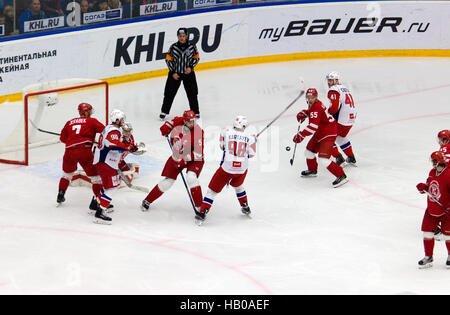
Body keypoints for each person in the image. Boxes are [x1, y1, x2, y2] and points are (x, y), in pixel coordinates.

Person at [195, 116, 256, 224]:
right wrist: (253, 141)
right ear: (243, 126)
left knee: (212, 191)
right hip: (241, 170)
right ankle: (245, 206)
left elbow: (222, 147)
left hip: (227, 168)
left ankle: (203, 211)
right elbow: (251, 154)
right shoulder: (250, 137)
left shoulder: (225, 132)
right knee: (238, 186)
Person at [141, 110, 204, 211]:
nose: (192, 123)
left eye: (193, 121)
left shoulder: (198, 132)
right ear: (184, 121)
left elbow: (198, 154)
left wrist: (184, 160)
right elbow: (167, 125)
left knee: (191, 178)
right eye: (189, 121)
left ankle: (200, 207)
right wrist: (166, 128)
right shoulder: (178, 121)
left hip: (194, 159)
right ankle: (148, 200)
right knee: (168, 182)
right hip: (177, 156)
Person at [293, 88, 348, 188]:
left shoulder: (316, 107)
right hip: (321, 132)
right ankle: (312, 170)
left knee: (324, 159)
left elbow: (313, 126)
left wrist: (301, 135)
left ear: (316, 97)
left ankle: (341, 175)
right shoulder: (314, 104)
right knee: (309, 152)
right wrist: (306, 113)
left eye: (312, 97)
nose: (310, 99)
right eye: (308, 97)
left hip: (328, 133)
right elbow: (316, 114)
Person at [93, 109, 138, 224]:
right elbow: (112, 144)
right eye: (122, 119)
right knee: (112, 187)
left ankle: (96, 203)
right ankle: (100, 212)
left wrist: (127, 145)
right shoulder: (114, 130)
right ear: (116, 120)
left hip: (104, 161)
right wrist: (127, 147)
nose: (123, 121)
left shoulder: (110, 128)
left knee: (110, 186)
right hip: (105, 162)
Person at [57, 103, 105, 210]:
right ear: (87, 112)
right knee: (96, 178)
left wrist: (74, 138)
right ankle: (98, 200)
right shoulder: (92, 121)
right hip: (84, 151)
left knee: (66, 174)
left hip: (69, 151)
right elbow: (105, 131)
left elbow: (62, 139)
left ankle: (61, 193)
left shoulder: (70, 122)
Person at [416, 151, 450, 269]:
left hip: (446, 211)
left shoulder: (448, 175)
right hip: (431, 209)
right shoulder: (432, 172)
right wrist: (423, 187)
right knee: (427, 233)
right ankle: (428, 257)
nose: (432, 163)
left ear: (439, 161)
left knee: (448, 236)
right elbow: (429, 187)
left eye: (434, 161)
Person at [160, 28, 200, 120]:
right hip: (175, 74)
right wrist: (173, 72)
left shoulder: (192, 47)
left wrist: (191, 67)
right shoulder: (173, 47)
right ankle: (164, 111)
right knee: (169, 93)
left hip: (188, 74)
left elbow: (196, 58)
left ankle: (196, 111)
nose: (182, 38)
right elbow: (168, 60)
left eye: (183, 36)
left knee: (193, 93)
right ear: (178, 36)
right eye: (180, 36)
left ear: (186, 36)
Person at [326, 71, 357, 166]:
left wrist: (328, 114)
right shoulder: (344, 88)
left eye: (331, 80)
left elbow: (334, 108)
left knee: (326, 137)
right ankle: (351, 158)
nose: (329, 82)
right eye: (328, 80)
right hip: (351, 119)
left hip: (342, 120)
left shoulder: (333, 89)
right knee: (340, 137)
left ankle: (339, 158)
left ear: (336, 81)